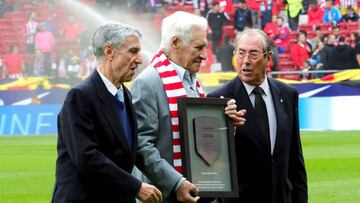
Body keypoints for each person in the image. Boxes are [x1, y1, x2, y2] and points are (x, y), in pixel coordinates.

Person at [130, 11, 246, 203]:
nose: (204, 56)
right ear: (175, 42)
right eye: (199, 47)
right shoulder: (148, 83)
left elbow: (195, 137)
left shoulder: (191, 80)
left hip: (198, 193)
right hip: (166, 196)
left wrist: (225, 126)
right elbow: (141, 145)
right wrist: (177, 183)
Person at [51, 23, 163, 203]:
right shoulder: (80, 96)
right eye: (133, 51)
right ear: (109, 52)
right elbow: (87, 157)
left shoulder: (124, 93)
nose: (139, 59)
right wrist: (136, 187)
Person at [207, 29, 308, 203]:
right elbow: (211, 160)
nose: (245, 61)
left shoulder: (288, 94)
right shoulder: (219, 99)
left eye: (253, 54)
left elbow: (295, 159)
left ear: (268, 58)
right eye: (241, 53)